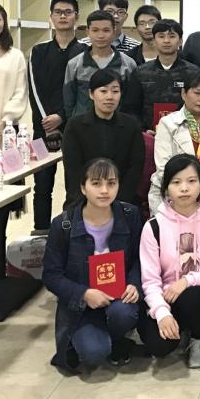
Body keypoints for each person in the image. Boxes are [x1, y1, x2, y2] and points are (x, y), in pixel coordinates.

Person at [41, 158, 142, 371]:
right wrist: (84, 294)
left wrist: (134, 283)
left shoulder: (130, 215)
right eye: (96, 183)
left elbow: (139, 259)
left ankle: (117, 338)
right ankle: (85, 338)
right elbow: (51, 275)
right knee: (94, 353)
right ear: (83, 187)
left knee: (124, 313)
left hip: (118, 297)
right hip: (82, 304)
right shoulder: (63, 224)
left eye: (111, 183)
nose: (104, 190)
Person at [138, 153, 200, 368]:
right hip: (167, 296)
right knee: (159, 345)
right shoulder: (154, 226)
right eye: (176, 182)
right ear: (166, 188)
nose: (184, 188)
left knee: (195, 297)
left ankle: (199, 337)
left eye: (191, 181)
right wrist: (162, 313)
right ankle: (180, 326)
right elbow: (150, 281)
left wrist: (188, 280)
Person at [28, 0, 85, 234]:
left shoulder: (84, 52)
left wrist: (62, 116)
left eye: (68, 12)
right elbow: (34, 90)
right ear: (51, 16)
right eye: (58, 12)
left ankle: (70, 233)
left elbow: (82, 92)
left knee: (75, 185)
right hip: (43, 128)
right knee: (42, 186)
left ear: (76, 17)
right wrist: (48, 120)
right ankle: (40, 235)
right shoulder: (38, 51)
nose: (63, 16)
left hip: (75, 128)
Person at [149, 72, 200, 214]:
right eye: (197, 93)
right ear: (183, 94)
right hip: (172, 198)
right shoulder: (168, 124)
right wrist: (189, 196)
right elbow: (164, 168)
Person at [62, 69, 145, 207]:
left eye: (115, 91)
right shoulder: (75, 126)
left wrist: (117, 202)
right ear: (91, 94)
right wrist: (88, 202)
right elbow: (73, 171)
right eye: (103, 91)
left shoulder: (132, 126)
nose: (110, 97)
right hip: (84, 201)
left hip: (122, 200)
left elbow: (135, 168)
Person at [124, 19, 200, 130]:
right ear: (154, 41)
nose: (166, 41)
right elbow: (131, 109)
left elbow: (199, 106)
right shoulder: (140, 72)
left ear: (180, 41)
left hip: (184, 133)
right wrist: (143, 131)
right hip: (148, 135)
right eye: (161, 36)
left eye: (172, 36)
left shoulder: (194, 73)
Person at [63, 10, 137, 118]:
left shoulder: (128, 64)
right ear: (87, 32)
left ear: (114, 31)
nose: (100, 35)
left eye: (106, 30)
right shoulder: (74, 64)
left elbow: (131, 101)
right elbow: (68, 101)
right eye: (95, 30)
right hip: (83, 125)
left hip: (118, 125)